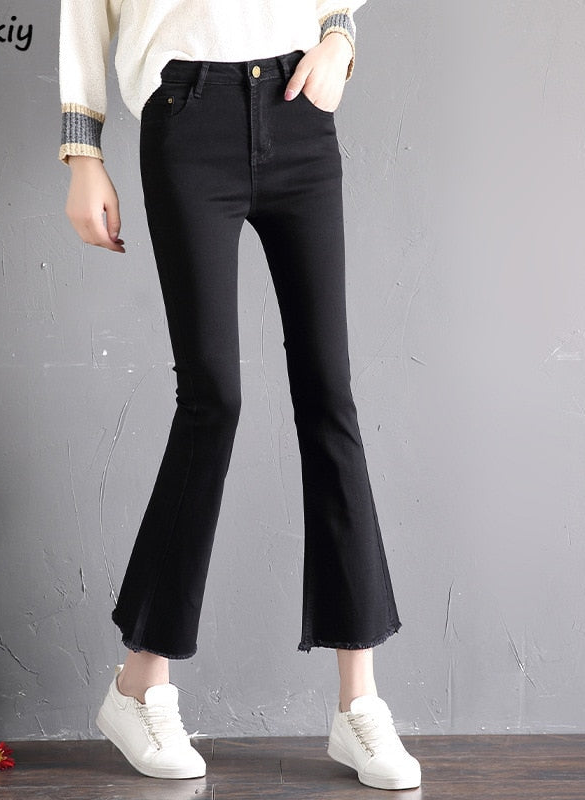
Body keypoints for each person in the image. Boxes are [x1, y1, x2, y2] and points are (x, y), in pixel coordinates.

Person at [59, 0, 421, 791]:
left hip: (298, 108)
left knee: (329, 395)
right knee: (212, 398)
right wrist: (83, 150)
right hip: (187, 114)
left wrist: (339, 35)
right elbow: (83, 10)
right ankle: (139, 687)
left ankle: (358, 705)